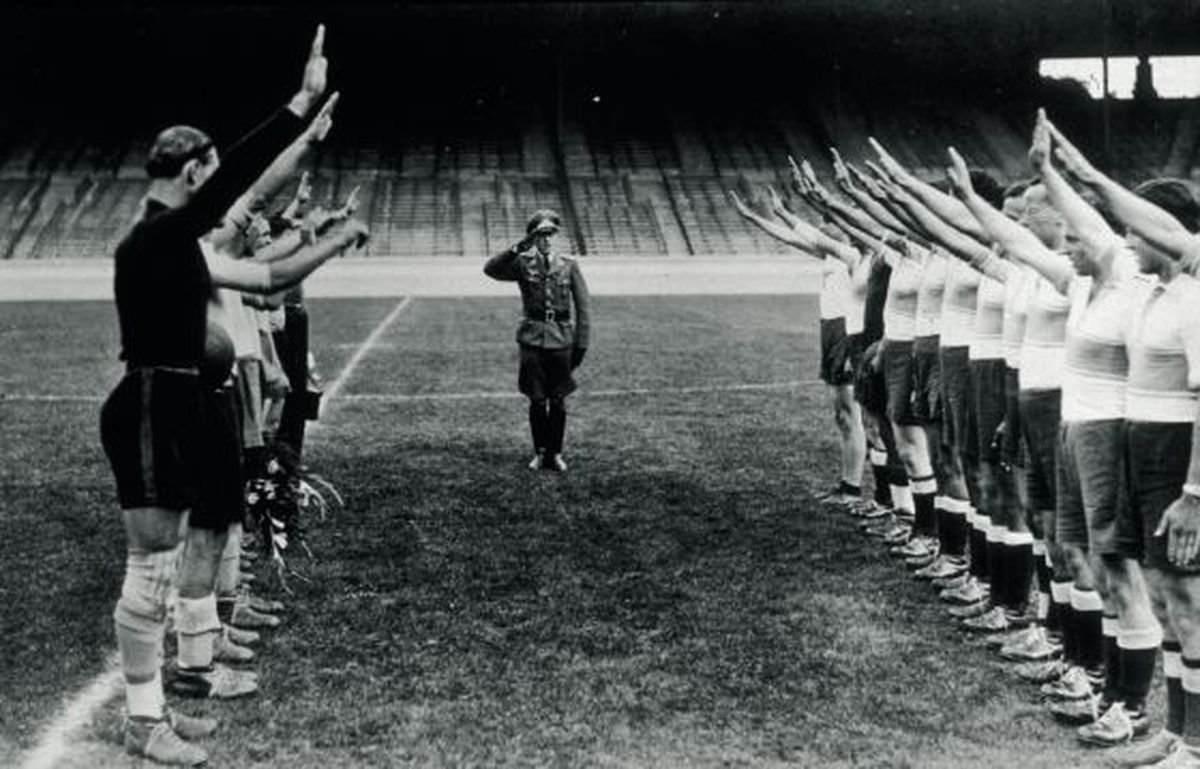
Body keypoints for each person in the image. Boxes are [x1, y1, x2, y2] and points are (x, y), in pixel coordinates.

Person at [98, 24, 333, 765]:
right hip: (149, 402)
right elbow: (244, 182)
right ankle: (144, 721)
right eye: (207, 170)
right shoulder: (159, 234)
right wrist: (296, 108)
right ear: (193, 170)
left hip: (176, 398)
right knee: (150, 567)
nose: (212, 179)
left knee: (172, 555)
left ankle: (168, 697)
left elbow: (259, 251)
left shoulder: (168, 236)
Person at [484, 210, 590, 471]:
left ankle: (555, 453)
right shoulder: (522, 263)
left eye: (551, 234)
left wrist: (582, 344)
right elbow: (491, 269)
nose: (547, 240)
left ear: (556, 236)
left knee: (558, 400)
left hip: (562, 340)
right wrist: (519, 247)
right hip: (531, 340)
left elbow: (584, 307)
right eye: (541, 235)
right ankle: (540, 452)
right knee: (536, 400)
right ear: (534, 237)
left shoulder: (569, 264)